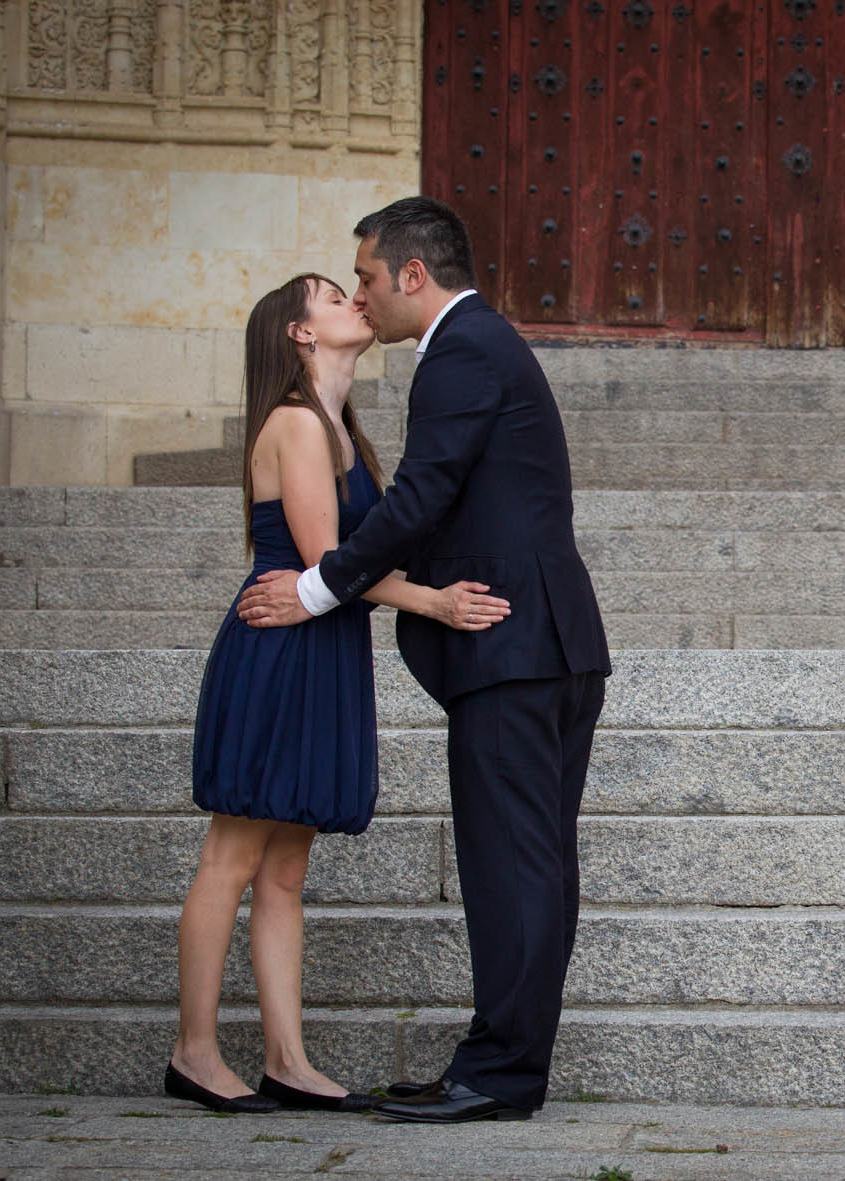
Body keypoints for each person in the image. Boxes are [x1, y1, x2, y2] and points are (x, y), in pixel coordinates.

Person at [237, 197, 611, 1124]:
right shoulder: (478, 345)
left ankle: (499, 1075)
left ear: (413, 275)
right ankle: (501, 1062)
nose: (362, 294)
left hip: (513, 648)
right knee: (529, 866)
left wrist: (320, 587)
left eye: (365, 276)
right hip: (536, 644)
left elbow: (421, 496)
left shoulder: (463, 347)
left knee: (512, 868)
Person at [168, 273, 511, 1115]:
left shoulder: (343, 428)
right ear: (298, 333)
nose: (353, 299)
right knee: (235, 852)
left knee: (285, 866)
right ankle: (194, 1052)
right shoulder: (294, 423)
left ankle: (287, 1057)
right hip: (279, 647)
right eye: (330, 295)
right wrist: (432, 601)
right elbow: (331, 562)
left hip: (321, 645)